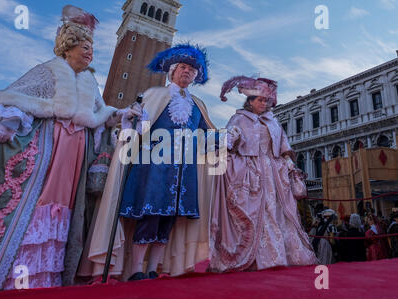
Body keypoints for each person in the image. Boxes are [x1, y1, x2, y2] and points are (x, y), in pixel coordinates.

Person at [0, 5, 140, 294]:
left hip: (76, 153)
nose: (90, 53)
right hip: (49, 149)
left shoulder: (89, 82)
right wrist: (10, 122)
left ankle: (46, 281)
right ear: (69, 47)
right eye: (85, 47)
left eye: (92, 48)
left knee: (63, 212)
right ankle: (16, 280)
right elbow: (18, 100)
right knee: (36, 210)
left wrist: (123, 114)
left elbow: (101, 114)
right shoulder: (48, 72)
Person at [78, 44, 217, 281]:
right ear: (172, 71)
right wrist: (134, 121)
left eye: (192, 70)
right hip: (153, 167)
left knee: (168, 219)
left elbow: (207, 135)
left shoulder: (198, 105)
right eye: (183, 67)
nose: (187, 72)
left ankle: (153, 268)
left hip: (184, 172)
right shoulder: (155, 95)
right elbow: (143, 130)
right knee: (149, 215)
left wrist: (225, 139)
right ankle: (135, 270)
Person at [208, 76, 318, 272]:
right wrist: (225, 143)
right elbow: (231, 136)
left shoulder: (273, 121)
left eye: (266, 100)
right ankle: (255, 259)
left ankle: (280, 256)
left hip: (275, 175)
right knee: (255, 212)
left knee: (277, 211)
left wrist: (290, 165)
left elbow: (283, 147)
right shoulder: (239, 118)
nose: (263, 103)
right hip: (251, 172)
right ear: (249, 101)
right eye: (259, 99)